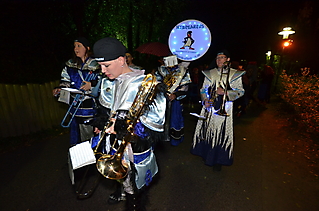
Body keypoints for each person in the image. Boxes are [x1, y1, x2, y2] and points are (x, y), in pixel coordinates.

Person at [91, 37, 166, 210]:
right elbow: (106, 108)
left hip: (134, 147)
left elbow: (154, 123)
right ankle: (122, 190)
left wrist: (123, 128)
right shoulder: (108, 82)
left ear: (121, 60)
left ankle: (133, 204)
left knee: (135, 187)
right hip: (114, 144)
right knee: (121, 177)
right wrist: (103, 122)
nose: (102, 71)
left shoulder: (146, 84)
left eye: (106, 66)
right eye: (100, 66)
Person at [191, 50, 245, 171]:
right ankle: (206, 155)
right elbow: (203, 89)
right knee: (207, 130)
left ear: (228, 59)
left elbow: (240, 91)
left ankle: (218, 159)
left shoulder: (234, 74)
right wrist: (205, 99)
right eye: (217, 58)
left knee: (221, 133)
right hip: (210, 107)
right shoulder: (210, 73)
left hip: (225, 108)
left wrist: (225, 92)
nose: (219, 60)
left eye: (222, 57)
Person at [52, 37, 101, 146]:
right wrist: (60, 89)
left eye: (79, 46)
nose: (75, 49)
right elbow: (65, 80)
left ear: (87, 48)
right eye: (74, 46)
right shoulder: (70, 65)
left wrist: (92, 85)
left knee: (93, 139)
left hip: (92, 108)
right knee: (77, 138)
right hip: (75, 108)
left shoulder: (98, 64)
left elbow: (105, 83)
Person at [154, 55, 192, 146]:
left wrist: (175, 95)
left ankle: (175, 139)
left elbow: (185, 87)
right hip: (162, 99)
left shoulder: (182, 71)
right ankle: (161, 140)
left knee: (175, 118)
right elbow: (156, 83)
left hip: (176, 100)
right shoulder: (160, 70)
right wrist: (163, 92)